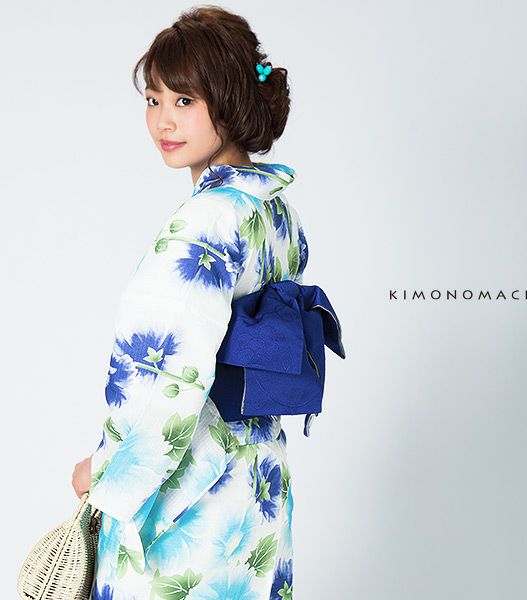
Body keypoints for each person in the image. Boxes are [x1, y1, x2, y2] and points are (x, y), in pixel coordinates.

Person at [71, 6, 305, 599]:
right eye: (154, 100)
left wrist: (108, 468)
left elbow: (165, 371)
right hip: (256, 483)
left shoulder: (206, 221)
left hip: (192, 499)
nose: (163, 121)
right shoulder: (275, 212)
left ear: (230, 100)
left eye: (184, 100)